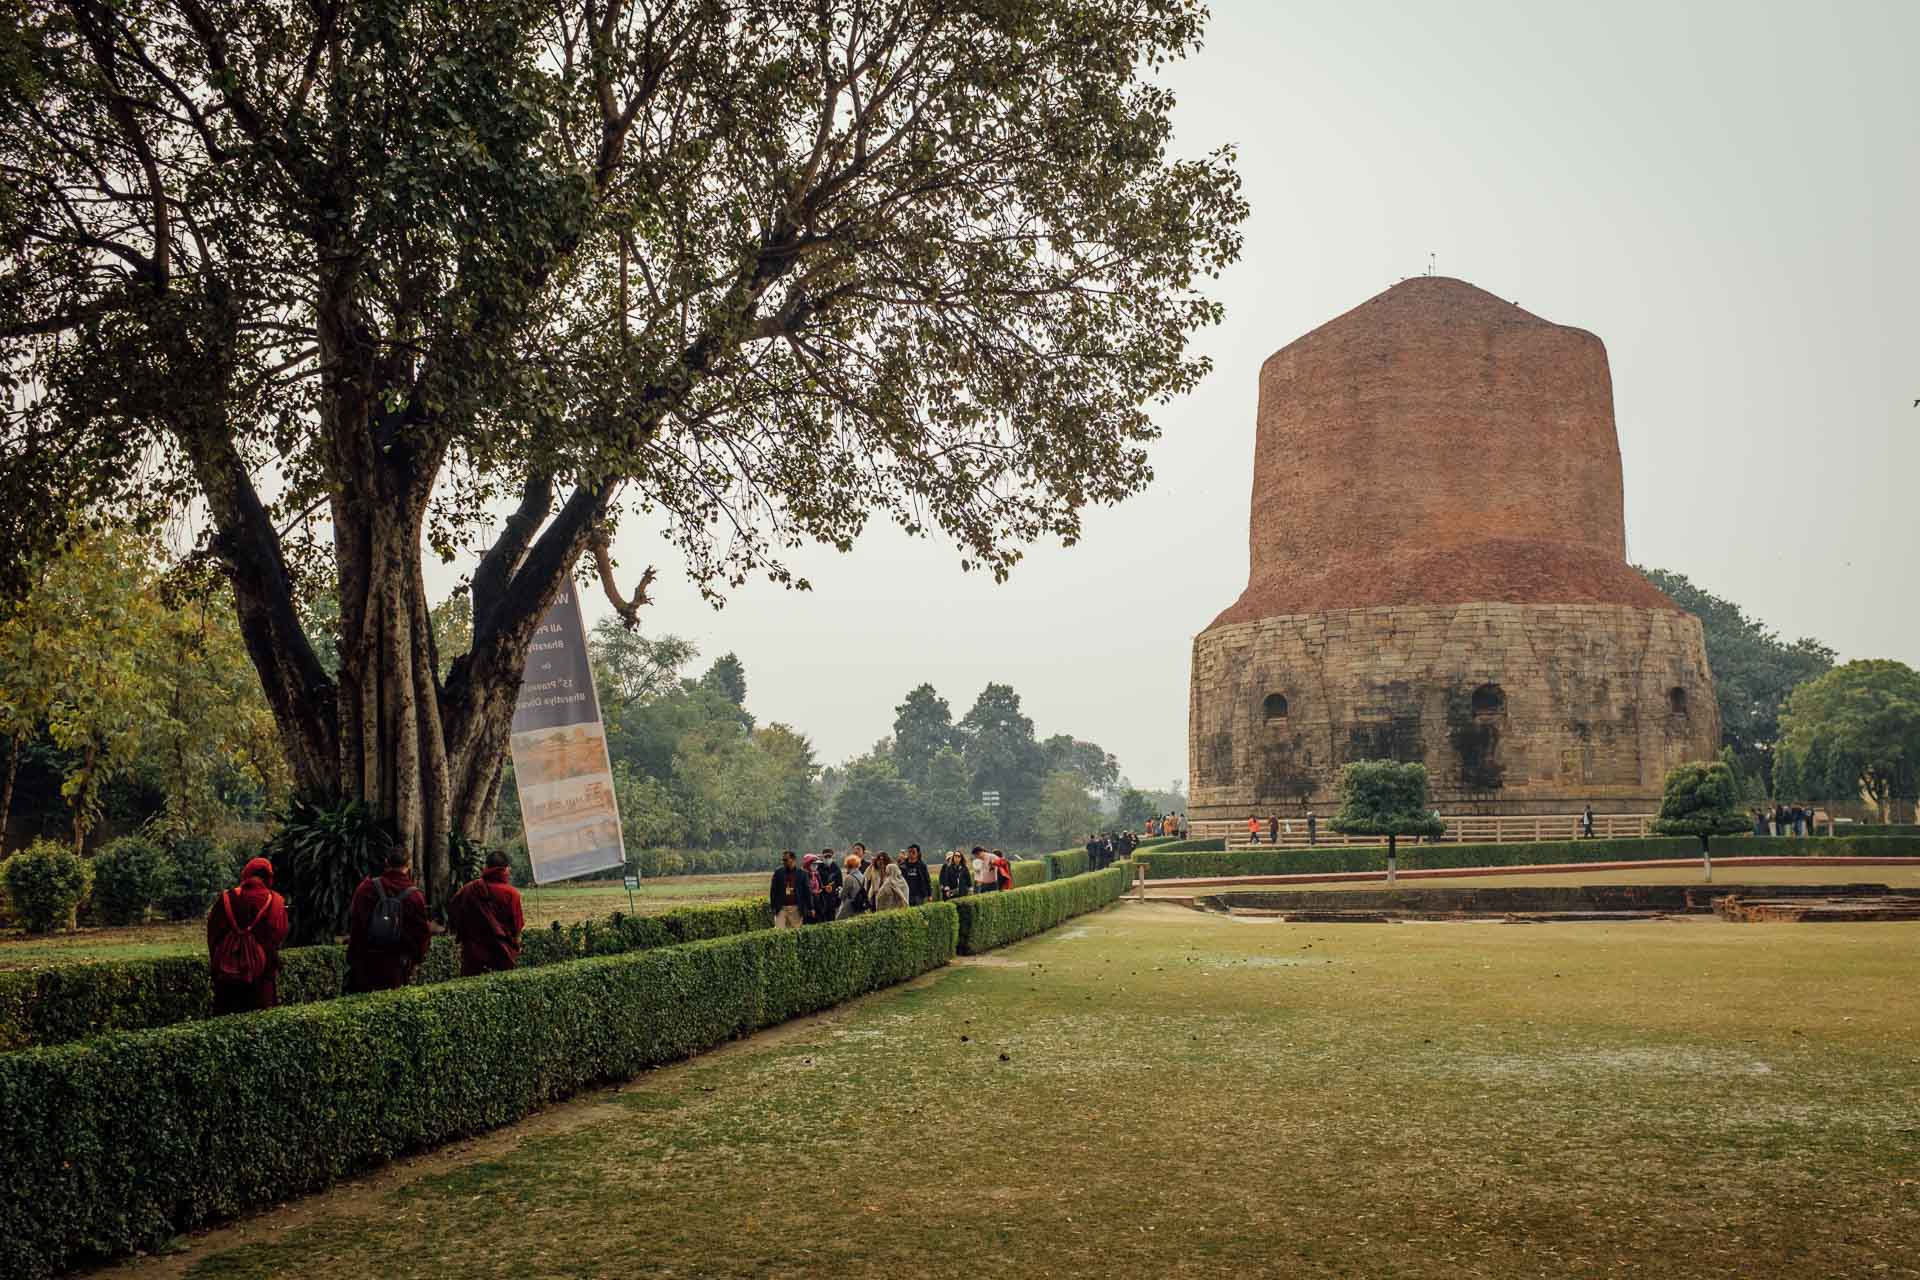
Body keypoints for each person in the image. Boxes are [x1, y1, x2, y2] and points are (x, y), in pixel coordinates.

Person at [205, 855, 290, 1015]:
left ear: (246, 873)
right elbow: (280, 934)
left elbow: (213, 936)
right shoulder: (276, 901)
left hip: (228, 977)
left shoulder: (226, 899)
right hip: (262, 978)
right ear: (269, 877)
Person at [346, 847, 433, 994]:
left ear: (386, 862)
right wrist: (416, 961)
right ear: (408, 865)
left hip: (366, 962)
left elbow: (356, 923)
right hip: (397, 966)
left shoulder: (366, 888)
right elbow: (421, 934)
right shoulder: (415, 896)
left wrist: (353, 957)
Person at [447, 849, 525, 976]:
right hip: (501, 954)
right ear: (505, 869)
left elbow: (453, 912)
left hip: (472, 954)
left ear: (486, 867)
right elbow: (516, 927)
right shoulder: (511, 894)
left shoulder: (469, 889)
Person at [768, 849, 814, 929]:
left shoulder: (802, 874)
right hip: (781, 908)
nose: (784, 862)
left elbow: (807, 892)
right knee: (779, 931)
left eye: (786, 860)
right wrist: (773, 907)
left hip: (796, 908)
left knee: (795, 932)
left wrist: (811, 908)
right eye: (783, 860)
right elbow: (773, 891)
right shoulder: (778, 873)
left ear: (793, 860)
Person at [835, 852, 868, 920]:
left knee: (839, 922)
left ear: (848, 865)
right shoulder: (863, 877)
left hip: (850, 906)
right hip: (860, 905)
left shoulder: (849, 878)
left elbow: (842, 895)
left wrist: (839, 891)